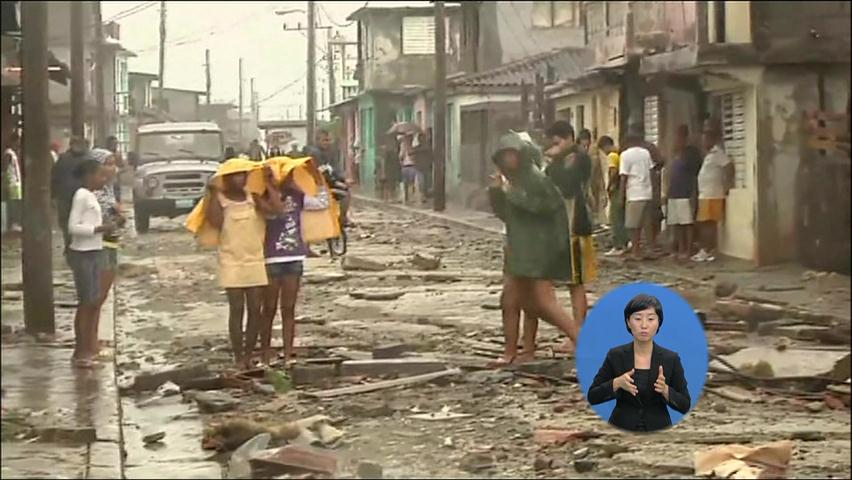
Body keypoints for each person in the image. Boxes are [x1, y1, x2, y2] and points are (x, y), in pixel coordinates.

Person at [489, 132, 578, 365]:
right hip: (520, 248)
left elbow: (548, 207)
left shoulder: (535, 179)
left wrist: (512, 194)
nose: (508, 161)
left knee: (541, 303)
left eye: (512, 155)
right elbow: (506, 215)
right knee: (516, 301)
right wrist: (497, 191)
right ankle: (518, 351)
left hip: (537, 249)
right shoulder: (516, 180)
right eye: (504, 156)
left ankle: (581, 340)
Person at [203, 160, 277, 368]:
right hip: (231, 260)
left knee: (255, 309)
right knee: (236, 308)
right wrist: (210, 194)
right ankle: (238, 356)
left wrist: (270, 184)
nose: (241, 178)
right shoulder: (219, 199)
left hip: (254, 259)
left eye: (244, 174)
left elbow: (275, 211)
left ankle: (248, 354)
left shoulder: (252, 197)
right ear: (226, 178)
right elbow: (215, 223)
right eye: (236, 175)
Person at [587, 294, 691, 432]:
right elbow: (593, 396)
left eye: (650, 319)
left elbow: (685, 405)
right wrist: (617, 383)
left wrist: (666, 390)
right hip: (621, 428)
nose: (644, 325)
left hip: (659, 429)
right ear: (628, 322)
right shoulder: (616, 355)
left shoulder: (670, 358)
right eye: (637, 318)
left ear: (659, 322)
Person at [259, 160, 329, 364]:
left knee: (288, 308)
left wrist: (317, 178)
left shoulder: (298, 196)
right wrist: (271, 187)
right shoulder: (262, 197)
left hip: (293, 257)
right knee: (269, 308)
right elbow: (278, 211)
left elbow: (322, 203)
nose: (288, 178)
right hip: (271, 257)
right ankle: (265, 352)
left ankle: (289, 352)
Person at [543, 121, 597, 350]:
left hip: (575, 225)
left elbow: (565, 184)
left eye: (557, 142)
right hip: (564, 226)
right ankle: (575, 332)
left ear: (568, 138)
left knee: (576, 283)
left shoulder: (578, 158)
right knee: (571, 282)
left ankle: (578, 334)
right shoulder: (568, 158)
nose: (554, 147)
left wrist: (553, 161)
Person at [67, 159, 116, 368]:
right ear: (88, 175)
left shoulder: (90, 195)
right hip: (83, 253)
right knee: (86, 303)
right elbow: (73, 227)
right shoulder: (81, 195)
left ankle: (88, 348)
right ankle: (82, 352)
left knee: (92, 301)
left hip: (94, 250)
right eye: (99, 175)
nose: (102, 179)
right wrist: (99, 229)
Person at [90, 148, 127, 356]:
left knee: (102, 297)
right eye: (107, 163)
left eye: (113, 163)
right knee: (95, 297)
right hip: (100, 246)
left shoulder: (110, 189)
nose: (112, 168)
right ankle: (90, 341)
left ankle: (94, 338)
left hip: (112, 244)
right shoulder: (93, 192)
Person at [693, 120, 734, 262]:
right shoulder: (709, 154)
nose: (703, 142)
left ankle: (707, 250)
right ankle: (707, 249)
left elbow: (729, 166)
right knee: (704, 223)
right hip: (705, 194)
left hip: (712, 194)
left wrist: (728, 184)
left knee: (708, 224)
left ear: (711, 139)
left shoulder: (718, 153)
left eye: (705, 138)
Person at [666, 125, 703, 262]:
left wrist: (694, 192)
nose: (677, 139)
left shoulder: (691, 153)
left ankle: (688, 249)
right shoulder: (675, 153)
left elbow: (696, 173)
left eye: (679, 135)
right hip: (673, 192)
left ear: (685, 136)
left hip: (685, 192)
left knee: (687, 223)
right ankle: (680, 248)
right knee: (676, 223)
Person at [619, 133, 654, 261]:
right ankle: (650, 249)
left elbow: (624, 176)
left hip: (634, 193)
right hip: (647, 192)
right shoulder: (646, 153)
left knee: (633, 225)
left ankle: (636, 251)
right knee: (647, 223)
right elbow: (651, 171)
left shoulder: (625, 155)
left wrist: (621, 196)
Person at [53, 136, 92, 248]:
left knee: (67, 223)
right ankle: (78, 245)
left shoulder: (63, 158)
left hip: (65, 196)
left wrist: (54, 195)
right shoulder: (88, 158)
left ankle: (69, 245)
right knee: (82, 221)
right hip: (81, 195)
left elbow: (54, 177)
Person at [598, 136, 628, 256]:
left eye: (603, 150)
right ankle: (625, 243)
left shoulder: (612, 155)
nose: (604, 153)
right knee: (621, 217)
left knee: (615, 218)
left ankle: (618, 245)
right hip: (621, 189)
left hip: (615, 189)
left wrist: (609, 186)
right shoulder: (620, 154)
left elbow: (613, 172)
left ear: (606, 146)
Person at [2, 130, 22, 233]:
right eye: (17, 141)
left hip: (16, 183)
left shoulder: (13, 153)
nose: (18, 144)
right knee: (13, 203)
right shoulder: (8, 154)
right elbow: (4, 169)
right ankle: (13, 223)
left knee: (16, 202)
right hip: (12, 183)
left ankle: (15, 223)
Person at [412, 130, 433, 202]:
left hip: (426, 167)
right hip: (419, 168)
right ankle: (423, 195)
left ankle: (425, 195)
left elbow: (431, 155)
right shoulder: (417, 148)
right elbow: (413, 155)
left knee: (427, 183)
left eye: (423, 138)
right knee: (422, 182)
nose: (421, 140)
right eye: (420, 138)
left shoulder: (428, 147)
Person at [399, 134, 418, 204]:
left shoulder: (413, 147)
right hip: (404, 166)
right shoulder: (402, 148)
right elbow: (400, 157)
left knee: (411, 182)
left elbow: (415, 156)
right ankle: (406, 197)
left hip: (412, 166)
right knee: (405, 182)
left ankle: (411, 196)